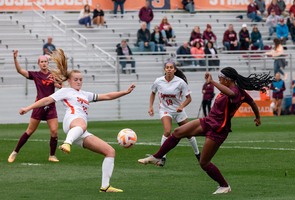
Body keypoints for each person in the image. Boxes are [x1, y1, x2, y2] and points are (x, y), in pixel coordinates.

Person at [138, 67, 273, 194]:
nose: (219, 80)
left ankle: (224, 186)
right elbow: (253, 104)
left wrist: (212, 82)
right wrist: (258, 117)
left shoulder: (237, 92)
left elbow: (234, 95)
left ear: (227, 80)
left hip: (218, 129)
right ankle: (157, 157)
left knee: (204, 162)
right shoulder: (229, 89)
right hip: (208, 121)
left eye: (220, 78)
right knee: (178, 132)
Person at [19, 48, 135, 192]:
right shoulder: (66, 91)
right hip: (72, 121)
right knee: (82, 123)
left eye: (80, 79)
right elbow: (45, 100)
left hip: (80, 131)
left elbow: (107, 96)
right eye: (76, 79)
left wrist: (125, 92)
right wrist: (28, 108)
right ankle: (67, 143)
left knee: (110, 151)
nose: (79, 81)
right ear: (69, 81)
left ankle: (105, 186)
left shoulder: (85, 94)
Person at [8, 50, 63, 163]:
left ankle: (52, 155)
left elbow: (60, 85)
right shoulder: (35, 75)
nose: (43, 63)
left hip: (51, 106)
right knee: (30, 131)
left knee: (54, 132)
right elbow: (19, 71)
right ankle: (15, 152)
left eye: (45, 61)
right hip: (38, 106)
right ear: (38, 64)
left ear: (48, 63)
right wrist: (15, 58)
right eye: (41, 62)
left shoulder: (53, 75)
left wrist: (60, 85)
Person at [148, 61, 200, 166]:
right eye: (167, 67)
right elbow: (153, 92)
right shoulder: (158, 81)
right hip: (165, 110)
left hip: (178, 110)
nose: (169, 69)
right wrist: (151, 106)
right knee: (167, 131)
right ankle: (162, 158)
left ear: (175, 70)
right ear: (164, 70)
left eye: (171, 67)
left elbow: (189, 98)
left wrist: (181, 106)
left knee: (189, 133)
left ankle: (198, 154)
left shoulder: (180, 82)